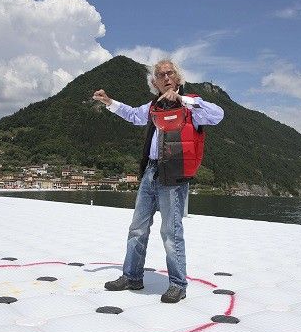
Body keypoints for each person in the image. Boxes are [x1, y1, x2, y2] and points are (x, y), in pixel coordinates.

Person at [93, 59, 224, 303]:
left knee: (171, 232)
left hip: (173, 175)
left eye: (170, 73)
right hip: (151, 172)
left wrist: (184, 100)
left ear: (178, 78)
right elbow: (133, 115)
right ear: (155, 83)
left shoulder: (191, 106)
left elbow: (218, 115)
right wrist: (109, 103)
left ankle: (177, 284)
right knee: (137, 228)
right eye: (160, 75)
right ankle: (132, 276)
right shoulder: (153, 106)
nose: (166, 77)